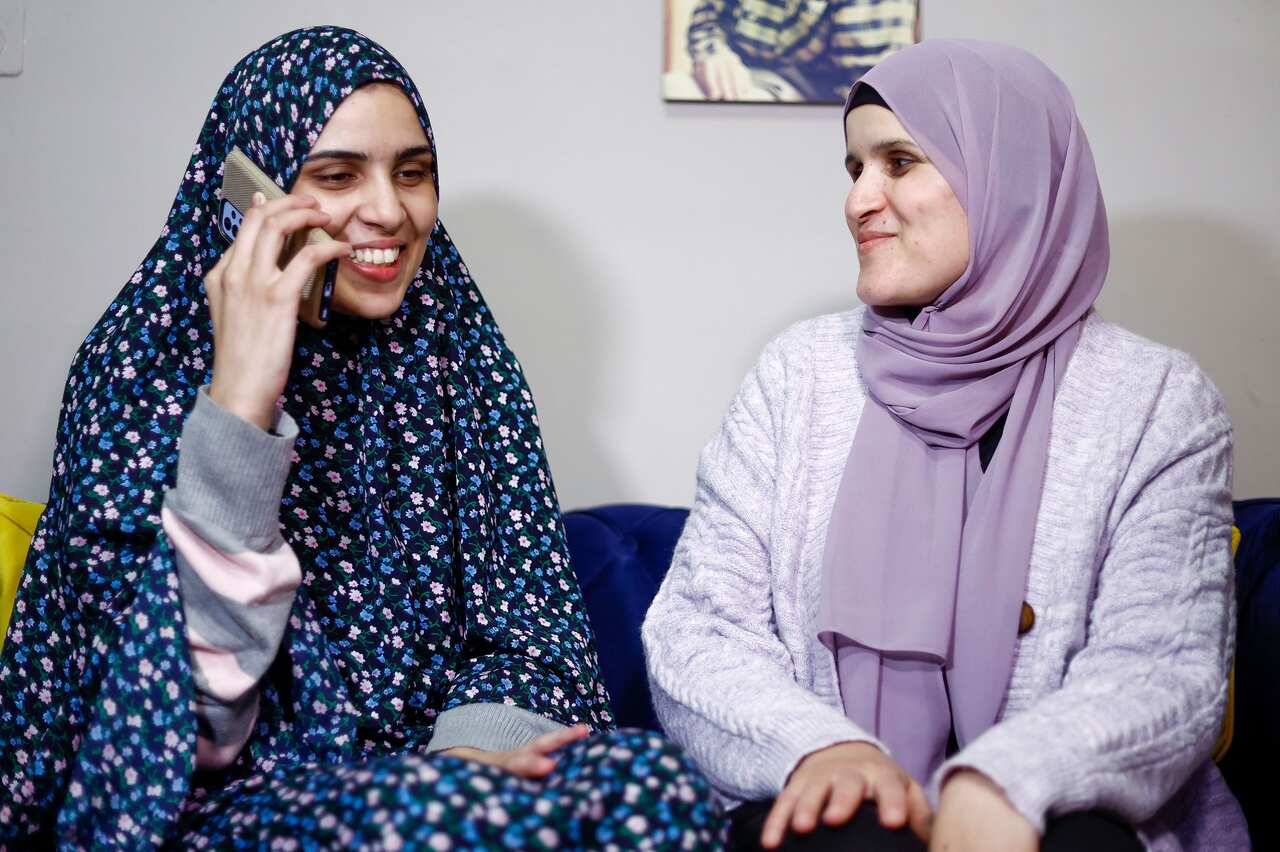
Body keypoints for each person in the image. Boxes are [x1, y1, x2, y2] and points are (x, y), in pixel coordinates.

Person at [0, 26, 720, 849]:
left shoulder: (457, 355)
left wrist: (464, 761)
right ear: (247, 191)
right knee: (433, 820)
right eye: (337, 175)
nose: (389, 210)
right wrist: (241, 405)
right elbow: (176, 723)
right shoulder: (140, 363)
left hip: (448, 781)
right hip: (221, 799)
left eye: (413, 173)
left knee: (660, 785)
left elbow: (534, 632)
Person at [643, 39, 1248, 851]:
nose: (859, 199)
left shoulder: (1155, 399)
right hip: (832, 809)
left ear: (1012, 178)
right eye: (854, 168)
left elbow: (1164, 668)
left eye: (898, 161)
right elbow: (698, 632)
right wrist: (822, 749)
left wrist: (1007, 781)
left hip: (1073, 813)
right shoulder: (797, 375)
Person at [685, 0, 917, 102]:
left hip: (819, 97)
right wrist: (713, 52)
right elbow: (707, 19)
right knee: (677, 88)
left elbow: (870, 95)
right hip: (748, 74)